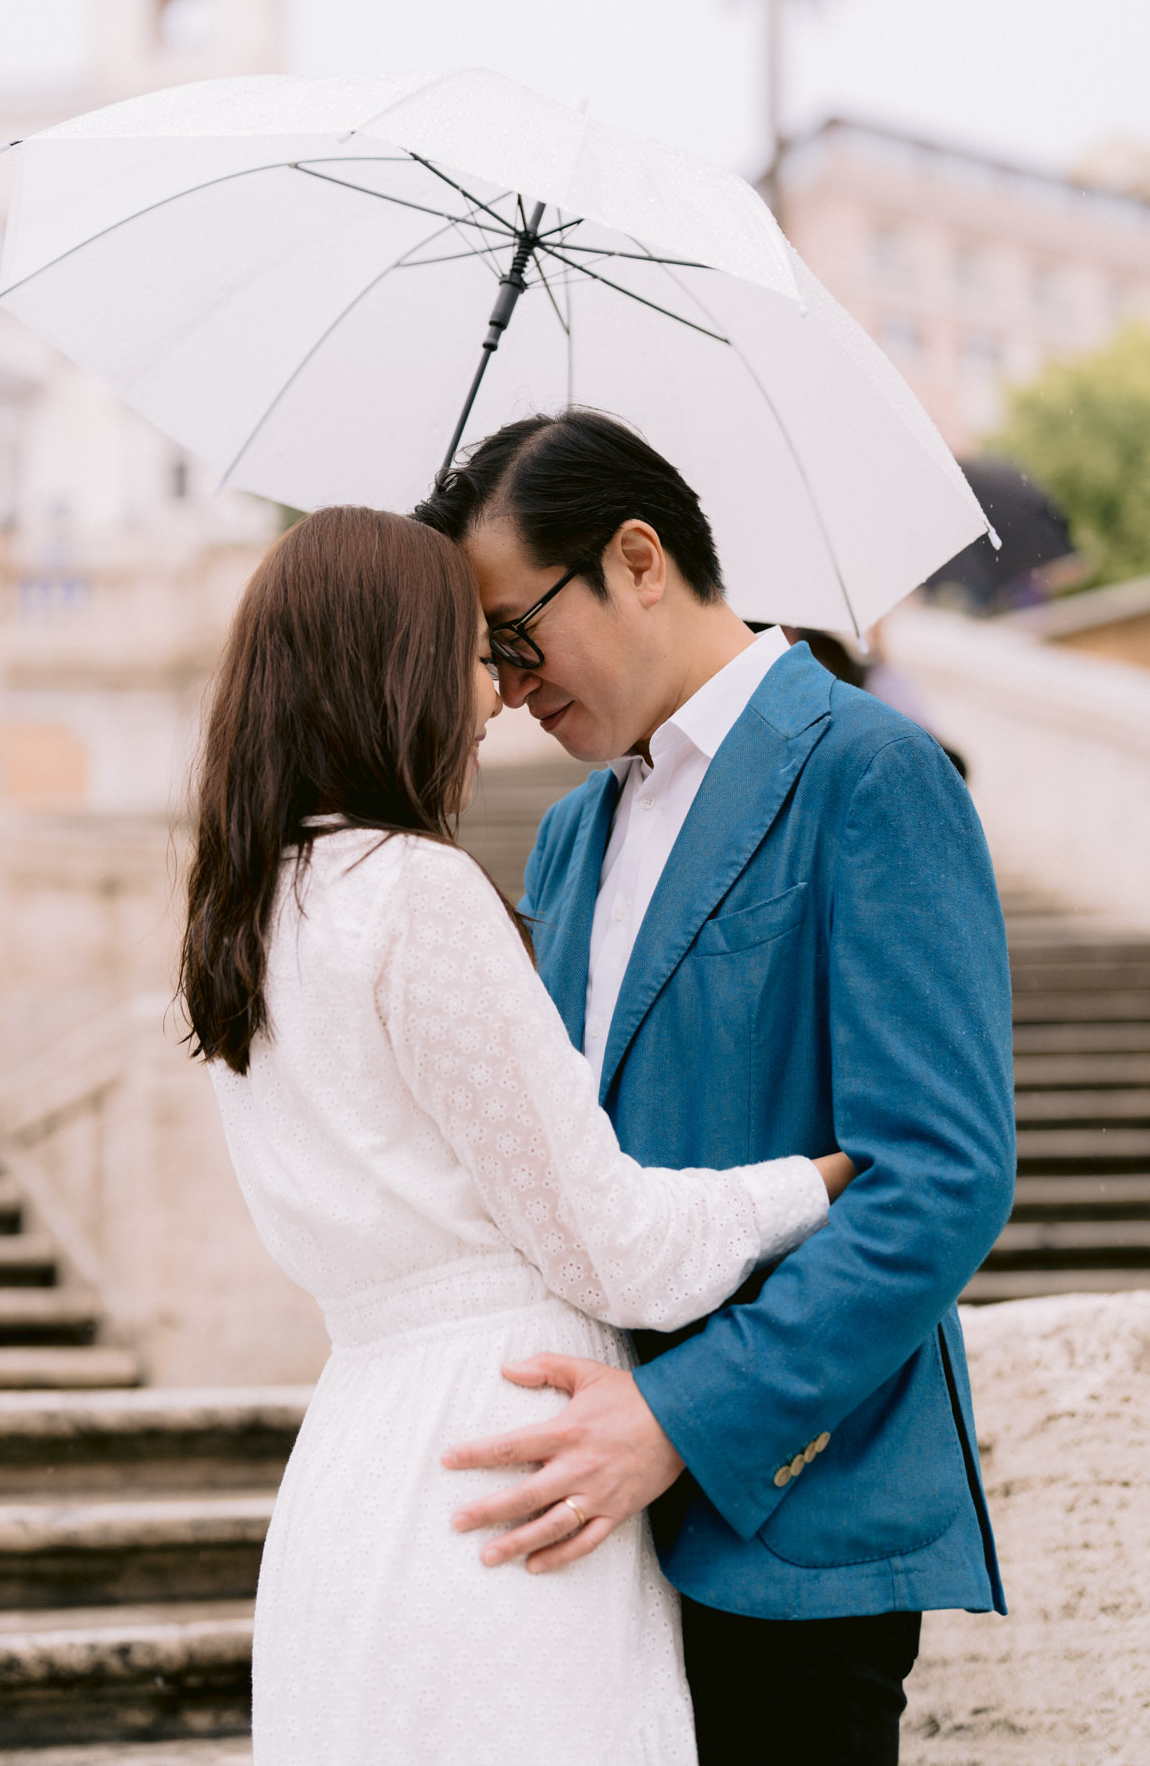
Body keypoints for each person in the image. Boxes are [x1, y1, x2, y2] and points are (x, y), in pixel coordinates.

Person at [181, 504, 855, 1766]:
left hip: (357, 1466)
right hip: (506, 1473)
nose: (493, 695)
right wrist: (806, 1184)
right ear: (387, 666)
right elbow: (620, 1249)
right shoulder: (416, 894)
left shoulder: (254, 912)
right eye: (470, 651)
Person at [415, 411, 1016, 1766]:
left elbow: (941, 1177)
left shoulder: (871, 771)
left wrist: (683, 1418)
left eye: (517, 632)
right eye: (488, 653)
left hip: (792, 1525)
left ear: (637, 558)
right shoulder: (570, 837)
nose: (505, 686)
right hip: (595, 1530)